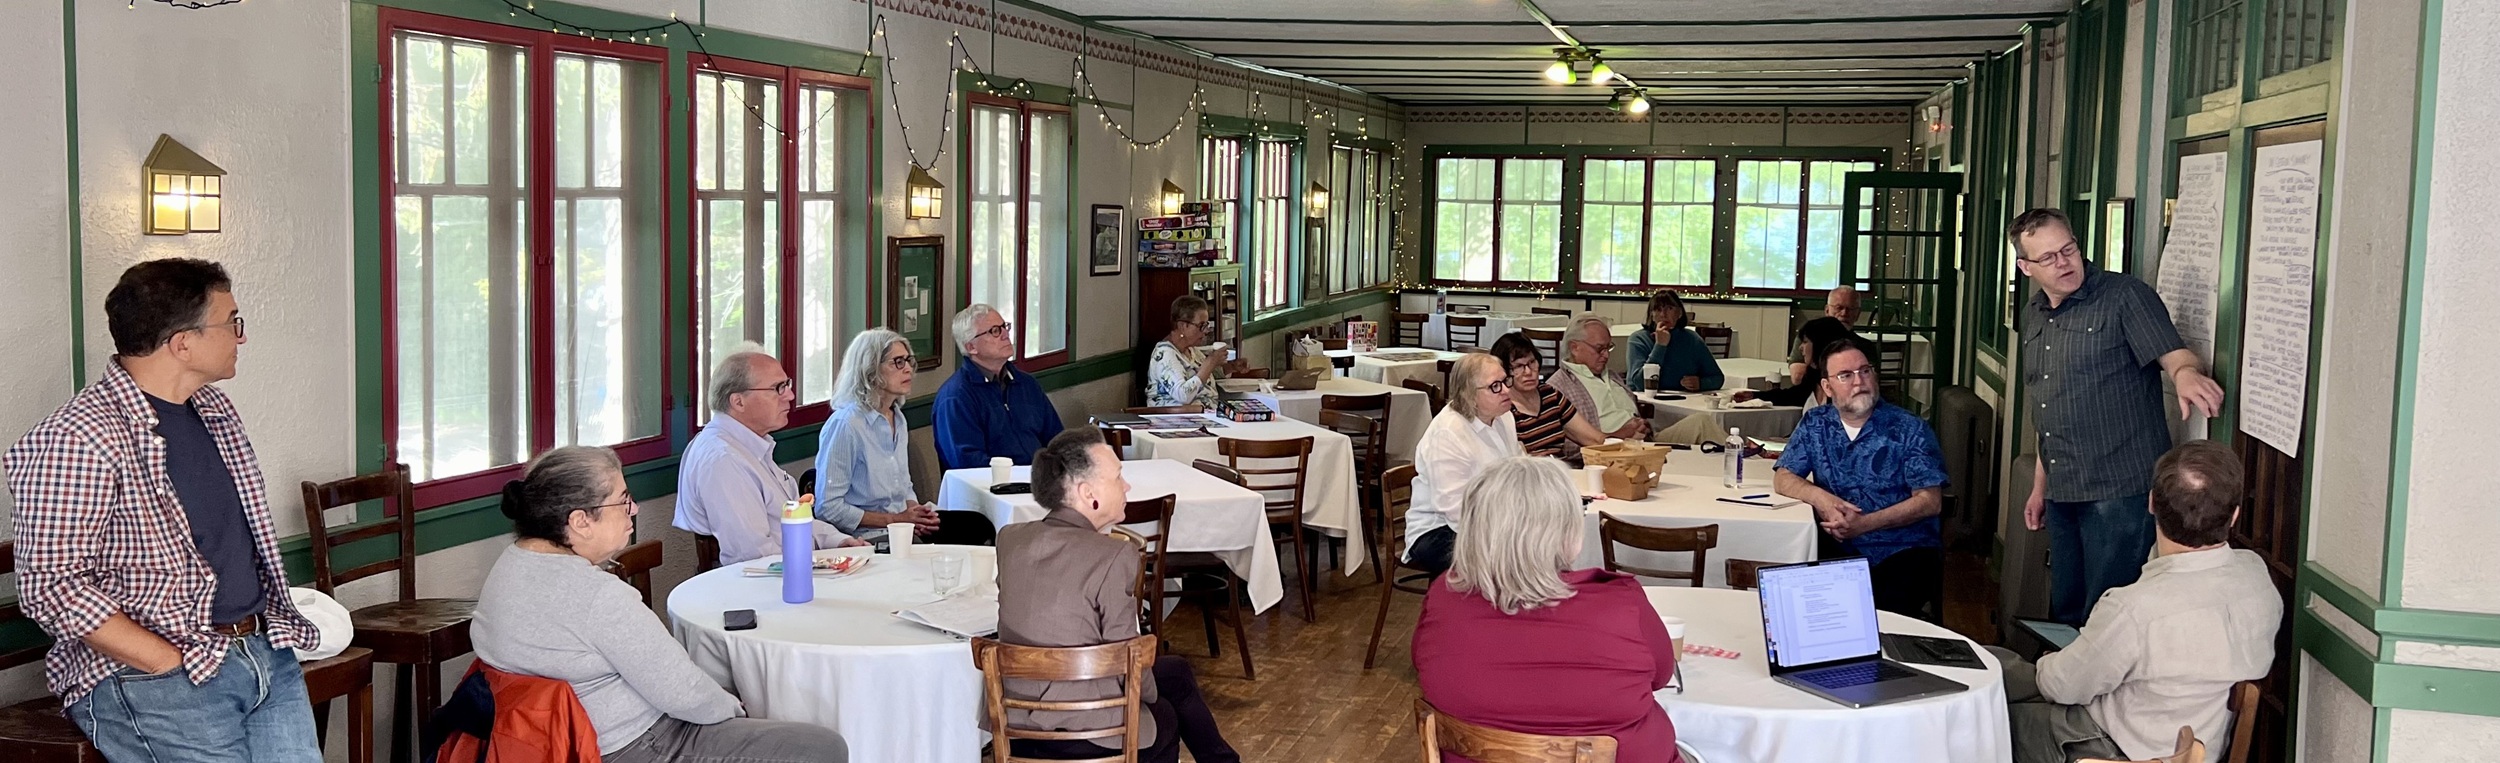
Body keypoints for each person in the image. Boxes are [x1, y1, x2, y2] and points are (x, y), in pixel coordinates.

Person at [4, 259, 323, 760]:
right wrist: (162, 660)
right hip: (163, 680)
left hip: (262, 651)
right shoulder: (76, 438)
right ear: (183, 343)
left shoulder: (215, 411)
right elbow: (50, 585)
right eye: (231, 322)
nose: (241, 337)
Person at [475, 446, 849, 763]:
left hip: (538, 741)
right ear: (580, 521)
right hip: (632, 745)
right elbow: (684, 694)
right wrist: (736, 708)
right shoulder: (596, 595)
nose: (633, 509)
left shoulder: (508, 567)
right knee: (820, 746)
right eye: (622, 500)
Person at [1989, 441, 2279, 763]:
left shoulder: (2136, 608)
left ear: (2152, 502)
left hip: (2111, 747)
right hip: (2197, 744)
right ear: (2235, 515)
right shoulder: (2255, 575)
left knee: (1986, 711)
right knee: (2005, 670)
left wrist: (2051, 663)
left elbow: (2062, 687)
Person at [2009, 208, 2227, 625]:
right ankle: (2069, 691)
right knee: (2067, 608)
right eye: (2048, 258)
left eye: (2068, 249)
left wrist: (2186, 375)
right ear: (2025, 267)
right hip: (2062, 487)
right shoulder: (2034, 314)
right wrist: (2041, 486)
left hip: (2120, 491)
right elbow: (2047, 410)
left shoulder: (2125, 296)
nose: (2064, 263)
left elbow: (2173, 352)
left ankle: (2100, 692)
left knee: (2110, 613)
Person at [1411, 457, 1682, 763]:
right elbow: (1661, 676)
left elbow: (1421, 662)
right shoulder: (1622, 603)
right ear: (1568, 535)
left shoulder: (1443, 600)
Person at [994, 430, 1241, 763]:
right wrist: (1149, 697)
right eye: (1118, 476)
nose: (1126, 486)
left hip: (1017, 724)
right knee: (1164, 714)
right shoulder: (1114, 556)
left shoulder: (1009, 539)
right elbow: (1131, 664)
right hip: (1085, 731)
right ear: (1087, 493)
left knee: (1177, 672)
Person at [1772, 336, 1950, 619]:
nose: (1859, 381)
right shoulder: (1816, 423)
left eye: (1865, 371)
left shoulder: (1909, 429)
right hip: (1836, 545)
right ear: (1827, 387)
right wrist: (1822, 499)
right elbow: (1783, 476)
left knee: (1876, 617)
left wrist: (1865, 524)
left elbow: (1930, 502)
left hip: (1901, 549)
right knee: (1797, 598)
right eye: (1846, 375)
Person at [674, 349, 864, 566]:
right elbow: (754, 557)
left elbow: (794, 519)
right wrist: (823, 566)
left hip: (794, 569)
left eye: (787, 385)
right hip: (764, 586)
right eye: (778, 388)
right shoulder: (724, 460)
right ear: (738, 402)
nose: (790, 396)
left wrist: (838, 542)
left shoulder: (748, 444)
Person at [815, 329, 996, 547]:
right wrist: (897, 520)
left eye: (908, 360)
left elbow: (903, 485)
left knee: (980, 526)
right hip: (868, 535)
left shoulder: (897, 417)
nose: (908, 369)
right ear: (871, 370)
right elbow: (829, 507)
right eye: (897, 362)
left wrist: (914, 512)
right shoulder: (846, 425)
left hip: (902, 523)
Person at [1403, 353, 1525, 576]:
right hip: (1438, 530)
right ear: (1469, 394)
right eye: (1495, 386)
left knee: (1544, 540)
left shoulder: (1504, 416)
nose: (1507, 390)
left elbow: (1517, 474)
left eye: (1506, 381)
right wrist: (1503, 535)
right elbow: (1454, 508)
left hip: (1493, 519)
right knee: (1505, 558)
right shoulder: (1448, 433)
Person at [934, 303, 1066, 470]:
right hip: (992, 489)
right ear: (971, 347)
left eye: (1004, 327)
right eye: (995, 331)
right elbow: (968, 463)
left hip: (1041, 482)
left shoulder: (1026, 384)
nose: (1005, 335)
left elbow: (1057, 439)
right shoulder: (956, 397)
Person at [1487, 333, 1603, 463]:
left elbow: (1593, 438)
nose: (1528, 372)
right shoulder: (1505, 408)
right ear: (1504, 372)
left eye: (1532, 362)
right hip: (1532, 475)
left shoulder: (1549, 394)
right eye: (1519, 366)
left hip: (1564, 470)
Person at [1546, 313, 1651, 442]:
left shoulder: (1612, 376)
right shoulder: (1558, 387)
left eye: (1608, 347)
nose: (1606, 355)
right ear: (1574, 348)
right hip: (1608, 454)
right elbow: (1563, 446)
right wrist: (1618, 436)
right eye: (1599, 348)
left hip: (1648, 442)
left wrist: (1642, 425)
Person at [1142, 295, 1246, 410]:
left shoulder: (1191, 350)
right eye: (1201, 325)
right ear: (1182, 326)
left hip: (1205, 414)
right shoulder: (1165, 355)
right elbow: (1183, 395)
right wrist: (1210, 363)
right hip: (1177, 420)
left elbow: (1207, 374)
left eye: (1207, 325)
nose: (1206, 331)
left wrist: (1231, 367)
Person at [1733, 317, 1858, 408]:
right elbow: (1792, 395)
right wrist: (1755, 396)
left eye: (1805, 342)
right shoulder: (1813, 376)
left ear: (1820, 343)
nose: (1800, 348)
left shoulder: (1844, 385)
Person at [1624, 290, 1724, 393]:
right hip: (1646, 401)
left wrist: (1701, 383)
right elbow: (1639, 384)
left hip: (1682, 400)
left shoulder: (1692, 338)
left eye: (1669, 309)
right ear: (1652, 315)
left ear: (1679, 313)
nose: (1663, 314)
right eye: (1658, 310)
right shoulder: (1638, 339)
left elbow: (1717, 378)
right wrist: (1660, 346)